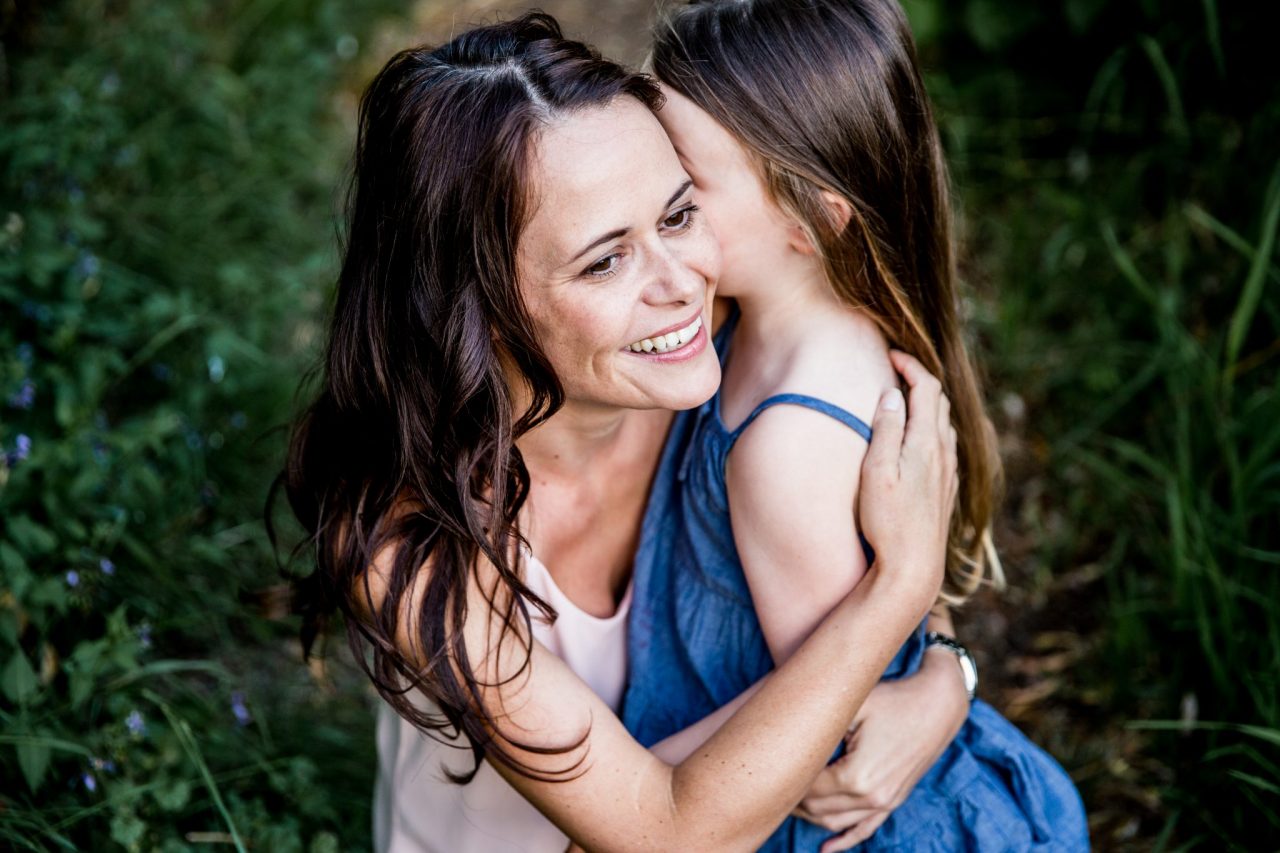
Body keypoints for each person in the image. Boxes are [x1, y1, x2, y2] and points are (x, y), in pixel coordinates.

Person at [283, 12, 965, 853]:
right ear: (473, 308)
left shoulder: (713, 351)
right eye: (605, 261)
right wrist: (901, 591)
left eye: (678, 215)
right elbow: (666, 834)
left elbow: (860, 530)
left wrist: (946, 670)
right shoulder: (409, 540)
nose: (682, 284)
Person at [620, 1, 1090, 851]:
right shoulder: (757, 316)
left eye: (683, 190)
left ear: (812, 219)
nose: (648, 201)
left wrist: (638, 785)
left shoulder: (787, 445)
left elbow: (830, 709)